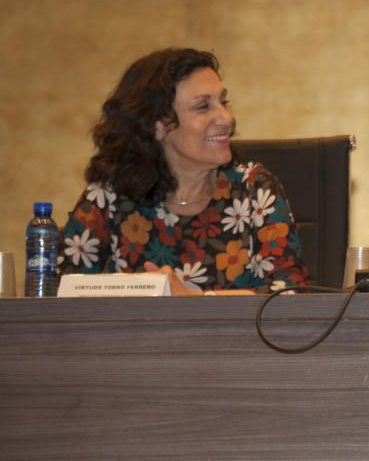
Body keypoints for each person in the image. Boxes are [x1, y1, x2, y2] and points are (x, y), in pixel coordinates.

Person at [57, 48, 308, 294]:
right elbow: (54, 295)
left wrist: (195, 301)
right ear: (157, 126)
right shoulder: (108, 197)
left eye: (223, 102)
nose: (226, 118)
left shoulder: (255, 189)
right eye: (203, 107)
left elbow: (289, 294)